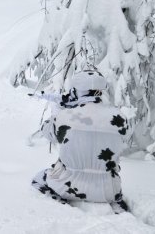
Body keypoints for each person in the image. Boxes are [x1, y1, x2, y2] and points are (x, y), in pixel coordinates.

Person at [31, 70, 130, 213]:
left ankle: (61, 204)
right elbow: (122, 139)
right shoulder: (120, 118)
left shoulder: (65, 116)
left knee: (39, 179)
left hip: (67, 186)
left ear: (77, 91)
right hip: (108, 190)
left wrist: (58, 110)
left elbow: (47, 132)